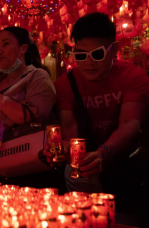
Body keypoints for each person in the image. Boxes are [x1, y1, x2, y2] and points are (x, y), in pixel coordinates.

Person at [44, 13, 149, 226]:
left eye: (98, 54)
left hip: (127, 161)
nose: (89, 63)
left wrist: (103, 153)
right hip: (88, 162)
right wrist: (67, 152)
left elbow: (131, 124)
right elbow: (70, 130)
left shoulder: (133, 76)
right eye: (81, 56)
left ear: (115, 50)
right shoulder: (65, 84)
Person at [0, 27, 59, 189]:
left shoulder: (37, 76)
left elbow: (29, 117)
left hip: (30, 170)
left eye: (5, 44)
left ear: (23, 49)